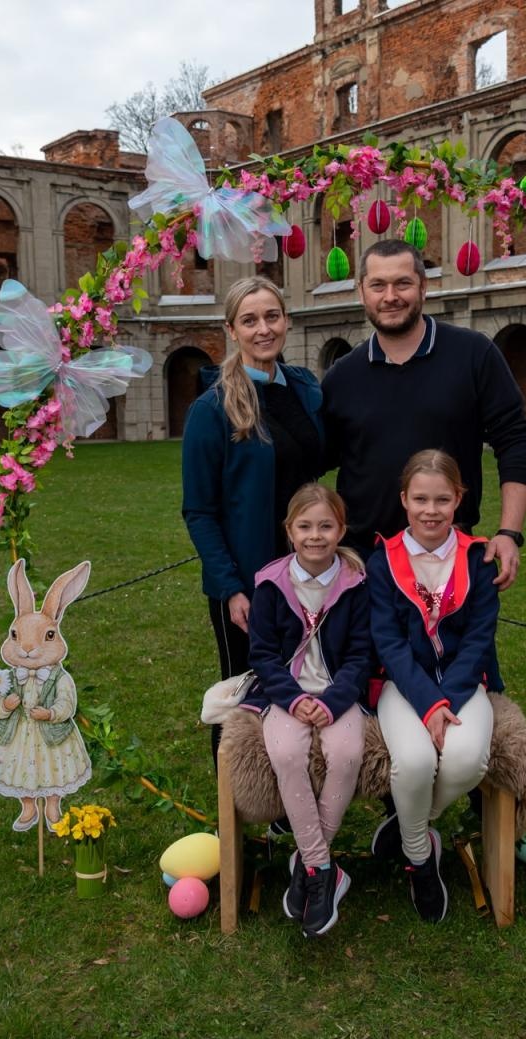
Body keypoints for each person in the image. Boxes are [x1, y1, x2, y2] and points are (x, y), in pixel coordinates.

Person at [322, 239, 526, 591]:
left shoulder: (473, 354)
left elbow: (515, 439)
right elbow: (313, 458)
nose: (390, 296)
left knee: (456, 648)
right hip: (364, 560)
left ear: (423, 286)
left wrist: (509, 532)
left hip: (450, 553)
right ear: (361, 292)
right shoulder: (341, 377)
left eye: (402, 283)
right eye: (378, 285)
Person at [182, 277, 325, 755]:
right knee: (245, 699)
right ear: (231, 329)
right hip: (248, 584)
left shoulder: (305, 390)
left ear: (286, 320)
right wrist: (230, 588)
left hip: (309, 574)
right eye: (249, 320)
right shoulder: (213, 408)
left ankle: (291, 805)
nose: (263, 329)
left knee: (303, 689)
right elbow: (199, 510)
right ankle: (237, 810)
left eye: (271, 316)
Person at [369, 450, 502, 922]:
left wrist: (451, 698)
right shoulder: (383, 561)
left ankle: (412, 828)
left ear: (459, 499)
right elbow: (388, 643)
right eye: (420, 499)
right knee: (415, 761)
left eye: (442, 499)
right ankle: (421, 862)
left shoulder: (478, 557)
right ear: (404, 500)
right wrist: (428, 704)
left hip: (466, 683)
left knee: (467, 760)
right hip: (404, 686)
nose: (431, 510)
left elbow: (480, 639)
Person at [243, 483, 373, 937]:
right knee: (287, 755)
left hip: (339, 695)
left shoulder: (356, 584)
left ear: (340, 529)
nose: (315, 536)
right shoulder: (270, 583)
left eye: (325, 526)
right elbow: (261, 655)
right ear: (289, 531)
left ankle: (310, 865)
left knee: (347, 755)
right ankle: (323, 868)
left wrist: (334, 700)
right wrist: (295, 698)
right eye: (305, 526)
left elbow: (361, 655)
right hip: (285, 695)